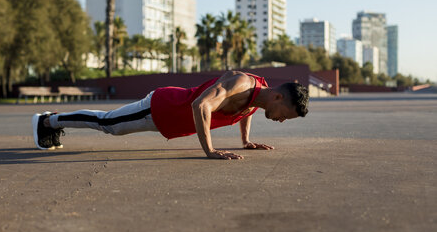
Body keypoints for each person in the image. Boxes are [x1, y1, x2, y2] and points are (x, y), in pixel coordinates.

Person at [32, 71, 309, 160]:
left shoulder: (258, 100)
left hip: (170, 122)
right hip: (160, 108)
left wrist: (246, 140)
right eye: (286, 114)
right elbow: (200, 106)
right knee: (108, 125)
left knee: (109, 125)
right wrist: (210, 151)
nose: (282, 120)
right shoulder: (242, 83)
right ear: (277, 97)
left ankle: (50, 120)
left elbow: (246, 110)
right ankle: (48, 121)